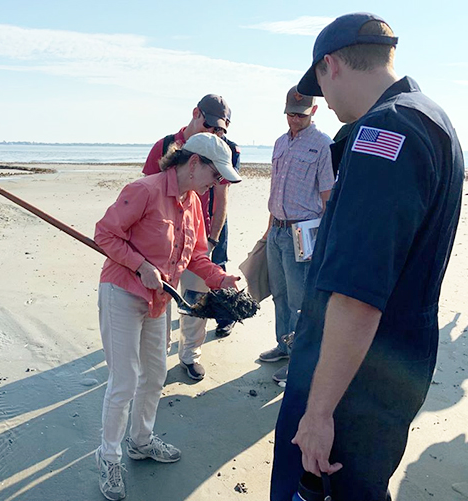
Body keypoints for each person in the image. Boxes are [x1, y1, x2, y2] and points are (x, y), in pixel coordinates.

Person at [271, 13, 464, 501]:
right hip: (393, 364)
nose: (323, 102)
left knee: (325, 487)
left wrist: (318, 413)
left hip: (353, 377)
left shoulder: (385, 132)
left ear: (329, 66)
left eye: (318, 85)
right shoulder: (432, 118)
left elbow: (357, 292)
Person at [94, 132, 242, 500]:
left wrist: (222, 279)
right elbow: (104, 234)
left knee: (155, 373)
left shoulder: (193, 202)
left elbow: (197, 257)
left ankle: (140, 441)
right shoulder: (144, 189)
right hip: (123, 293)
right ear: (194, 163)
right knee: (124, 379)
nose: (218, 182)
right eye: (215, 173)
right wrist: (140, 264)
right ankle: (108, 456)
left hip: (160, 300)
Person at [143, 94, 241, 381]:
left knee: (197, 298)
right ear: (196, 113)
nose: (213, 134)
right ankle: (157, 356)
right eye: (209, 126)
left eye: (219, 129)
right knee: (159, 297)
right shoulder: (164, 146)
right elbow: (147, 190)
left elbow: (221, 198)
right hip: (162, 243)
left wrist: (210, 241)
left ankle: (190, 355)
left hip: (199, 237)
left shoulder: (223, 149)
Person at [258, 86, 334, 385]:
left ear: (313, 111)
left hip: (302, 234)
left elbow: (328, 197)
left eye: (300, 115)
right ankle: (284, 345)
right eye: (289, 114)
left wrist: (325, 242)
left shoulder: (323, 146)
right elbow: (276, 190)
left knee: (299, 300)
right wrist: (267, 231)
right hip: (276, 231)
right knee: (279, 295)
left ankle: (300, 362)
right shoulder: (279, 143)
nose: (293, 119)